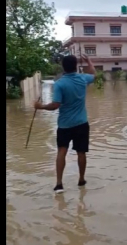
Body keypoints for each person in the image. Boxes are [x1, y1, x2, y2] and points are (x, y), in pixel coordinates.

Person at [34, 54, 96, 194]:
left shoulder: (60, 84)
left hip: (64, 125)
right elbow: (93, 74)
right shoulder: (83, 79)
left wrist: (41, 106)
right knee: (81, 152)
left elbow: (56, 105)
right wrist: (89, 61)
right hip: (81, 123)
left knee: (62, 151)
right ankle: (81, 180)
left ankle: (59, 184)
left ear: (63, 67)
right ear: (75, 66)